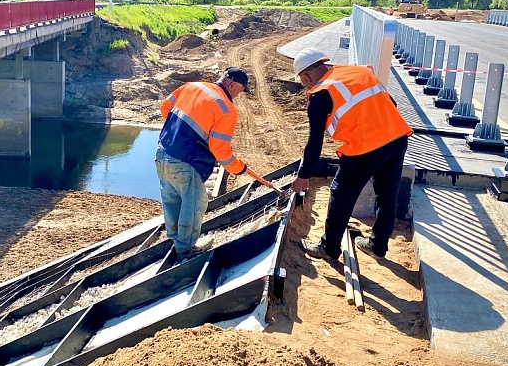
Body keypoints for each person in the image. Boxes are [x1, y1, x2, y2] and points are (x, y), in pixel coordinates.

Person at [291, 47, 413, 262]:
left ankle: (328, 248)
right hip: (396, 137)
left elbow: (315, 140)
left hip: (364, 148)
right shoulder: (360, 72)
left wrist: (303, 175)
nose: (305, 85)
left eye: (303, 81)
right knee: (387, 194)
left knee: (341, 195)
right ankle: (378, 245)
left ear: (307, 75)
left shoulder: (320, 94)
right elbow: (390, 103)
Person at [155, 67, 261, 258]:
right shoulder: (226, 109)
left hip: (163, 152)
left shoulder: (191, 86)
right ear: (232, 85)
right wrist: (238, 168)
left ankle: (174, 239)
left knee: (172, 199)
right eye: (240, 90)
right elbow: (220, 152)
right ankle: (185, 249)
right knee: (195, 203)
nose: (239, 95)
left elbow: (165, 107)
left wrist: (180, 134)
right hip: (185, 161)